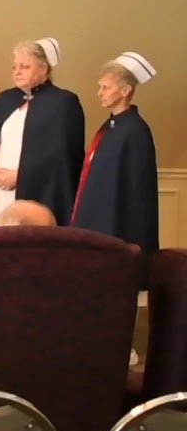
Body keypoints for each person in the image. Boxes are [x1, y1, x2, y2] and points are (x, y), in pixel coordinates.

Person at [71, 52, 158, 367]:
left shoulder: (135, 132)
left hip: (119, 227)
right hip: (97, 223)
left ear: (125, 90)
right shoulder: (111, 127)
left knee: (119, 290)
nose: (100, 93)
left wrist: (124, 238)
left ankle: (121, 347)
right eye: (100, 86)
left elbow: (135, 193)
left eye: (106, 87)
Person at [0, 38, 84, 226]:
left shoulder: (63, 103)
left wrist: (20, 175)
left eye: (25, 67)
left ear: (43, 69)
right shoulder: (4, 100)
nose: (17, 72)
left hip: (37, 194)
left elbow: (62, 156)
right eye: (14, 66)